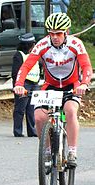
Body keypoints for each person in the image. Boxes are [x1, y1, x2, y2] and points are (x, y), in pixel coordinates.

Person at [14, 12, 93, 167]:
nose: (55, 37)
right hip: (50, 86)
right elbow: (26, 65)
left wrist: (84, 84)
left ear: (66, 32)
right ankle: (47, 151)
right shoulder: (42, 45)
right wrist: (19, 84)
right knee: (38, 117)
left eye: (58, 33)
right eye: (51, 34)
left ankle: (72, 151)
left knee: (70, 110)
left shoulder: (76, 44)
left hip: (72, 86)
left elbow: (86, 66)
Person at [12, 33, 40, 137]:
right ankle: (18, 131)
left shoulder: (35, 55)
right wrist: (17, 86)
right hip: (24, 84)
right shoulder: (19, 55)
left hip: (34, 83)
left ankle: (32, 131)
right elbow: (15, 73)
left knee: (32, 109)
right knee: (20, 109)